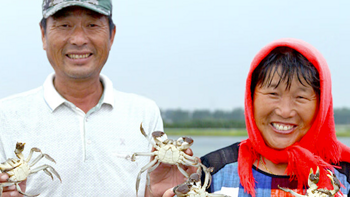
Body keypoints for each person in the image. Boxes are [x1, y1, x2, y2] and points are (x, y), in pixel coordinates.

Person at [0, 0, 166, 196]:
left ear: (112, 36)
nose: (79, 39)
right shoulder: (6, 116)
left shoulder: (144, 113)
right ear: (43, 35)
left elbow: (154, 189)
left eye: (92, 25)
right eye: (64, 25)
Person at [162, 38, 350, 197]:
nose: (285, 111)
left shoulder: (343, 177)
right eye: (273, 94)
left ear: (322, 104)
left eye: (300, 97)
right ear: (251, 98)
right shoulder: (211, 171)